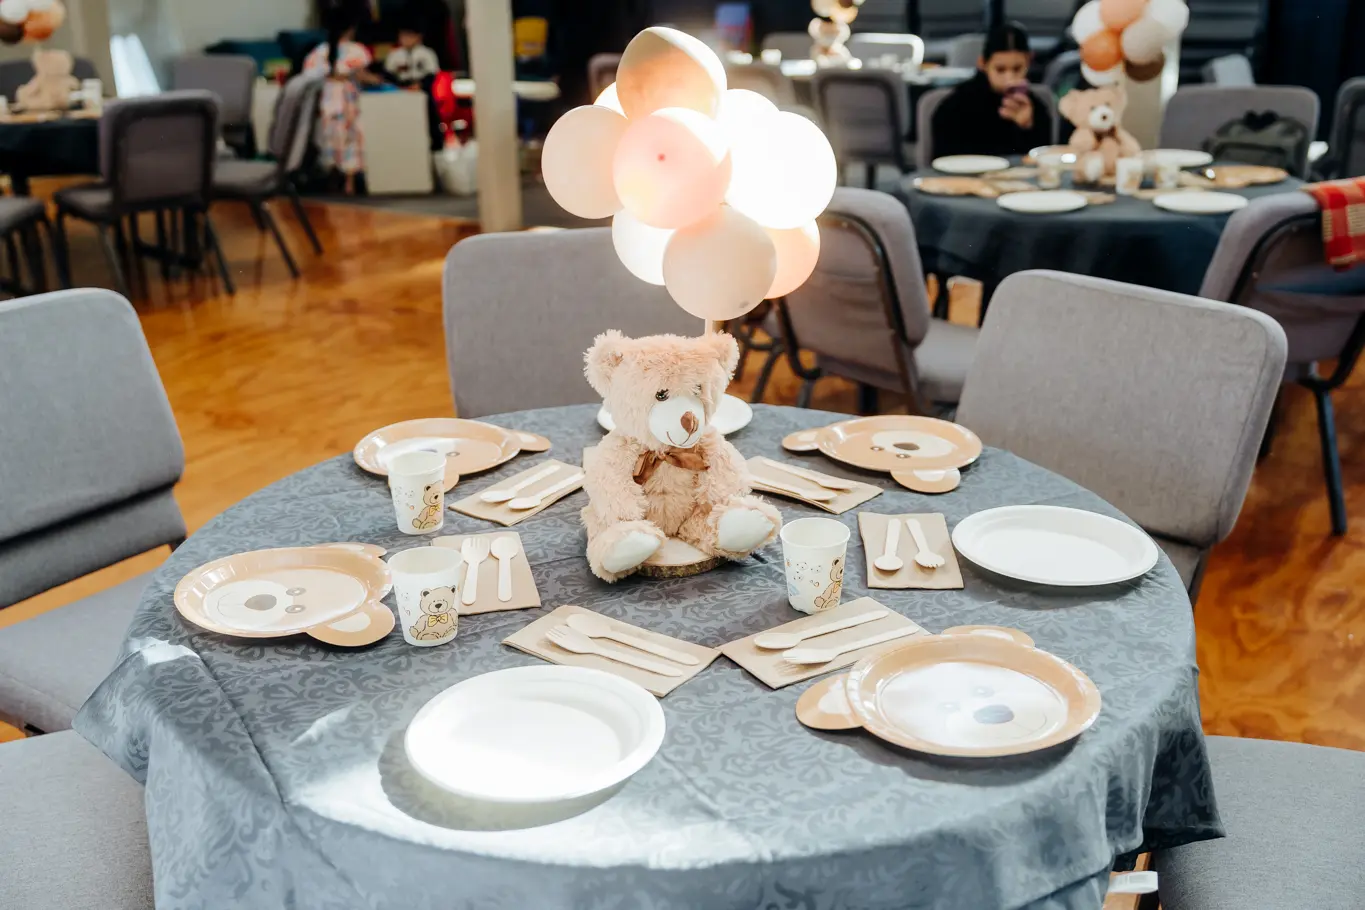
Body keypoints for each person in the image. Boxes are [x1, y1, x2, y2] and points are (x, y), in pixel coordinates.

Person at [930, 22, 1053, 159]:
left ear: (1029, 61)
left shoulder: (1037, 108)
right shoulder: (954, 106)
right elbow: (944, 165)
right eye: (1000, 69)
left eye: (1017, 69)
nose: (1009, 78)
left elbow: (1044, 164)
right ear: (983, 63)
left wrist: (1026, 127)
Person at [304, 2, 381, 194]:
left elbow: (309, 76)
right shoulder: (356, 50)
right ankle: (350, 183)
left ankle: (332, 177)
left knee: (330, 139)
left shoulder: (318, 52)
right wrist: (377, 80)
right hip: (347, 102)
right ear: (352, 28)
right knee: (351, 140)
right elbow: (362, 75)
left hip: (327, 101)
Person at [385, 22, 440, 86]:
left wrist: (421, 84)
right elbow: (388, 74)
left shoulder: (427, 53)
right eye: (403, 35)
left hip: (422, 87)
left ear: (418, 37)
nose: (405, 39)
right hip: (400, 88)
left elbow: (433, 74)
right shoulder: (394, 53)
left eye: (409, 35)